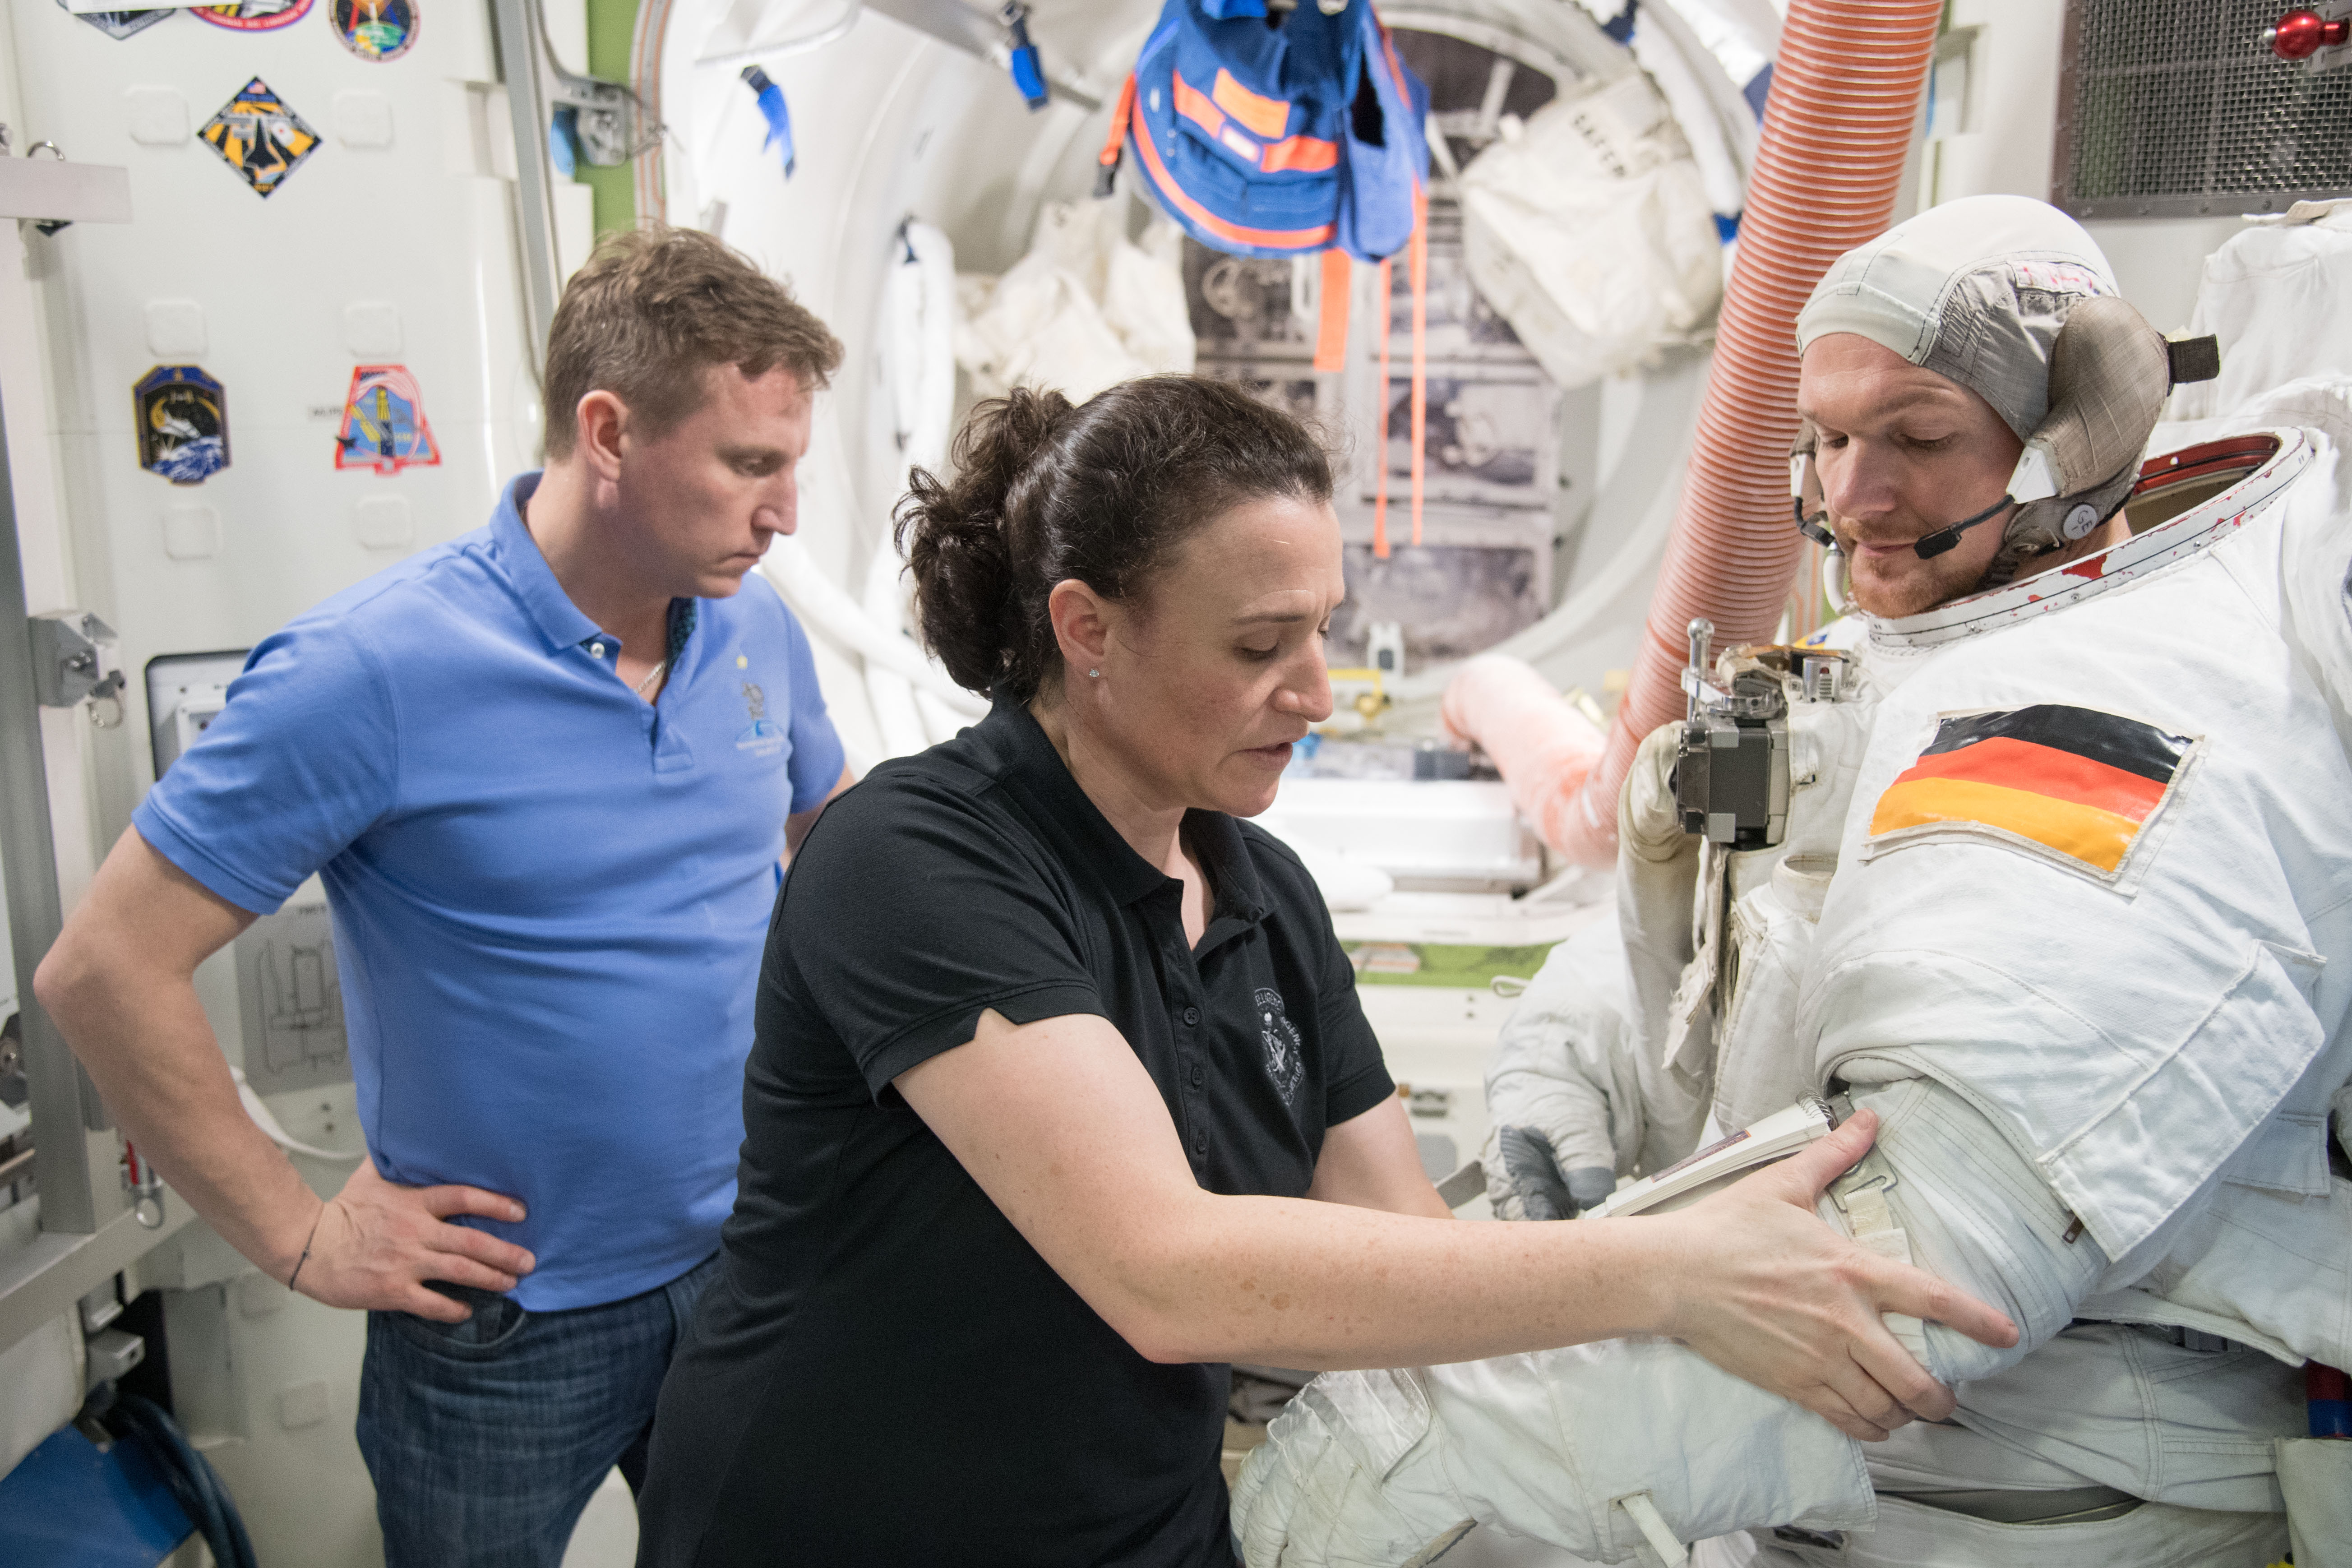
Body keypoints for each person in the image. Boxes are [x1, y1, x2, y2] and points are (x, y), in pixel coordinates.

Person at [628, 374, 2017, 1568]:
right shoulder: (916, 858)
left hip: (1135, 1524)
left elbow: (1399, 1241)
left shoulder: (1260, 888)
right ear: (1086, 628)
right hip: (845, 1523)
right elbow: (1166, 1269)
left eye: (1322, 631)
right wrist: (1660, 1270)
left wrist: (1693, 1256)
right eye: (1257, 646)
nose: (1316, 689)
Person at [1234, 198, 2352, 1566]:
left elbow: (1902, 1265)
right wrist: (1584, 1046)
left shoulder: (2130, 700)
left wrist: (1366, 1468)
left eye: (1920, 437)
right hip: (1840, 1480)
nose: (1854, 496)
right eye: (1827, 440)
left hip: (2023, 1504)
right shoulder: (1952, 629)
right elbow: (1803, 917)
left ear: (2086, 429)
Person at [35, 227, 854, 1567]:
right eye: (749, 464)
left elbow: (829, 843)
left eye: (792, 466)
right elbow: (104, 966)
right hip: (503, 1319)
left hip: (749, 1264)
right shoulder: (370, 670)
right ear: (608, 432)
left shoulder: (754, 624)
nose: (785, 513)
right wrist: (298, 1236)